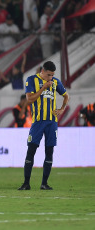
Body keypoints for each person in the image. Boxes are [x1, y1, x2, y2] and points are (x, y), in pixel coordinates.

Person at [18, 61, 69, 190]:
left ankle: (44, 183)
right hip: (38, 122)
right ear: (43, 70)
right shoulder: (31, 80)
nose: (50, 78)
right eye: (48, 75)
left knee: (49, 152)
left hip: (52, 122)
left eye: (52, 75)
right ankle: (26, 183)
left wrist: (62, 109)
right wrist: (43, 88)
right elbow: (29, 99)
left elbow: (66, 95)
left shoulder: (56, 82)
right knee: (31, 151)